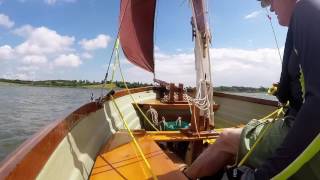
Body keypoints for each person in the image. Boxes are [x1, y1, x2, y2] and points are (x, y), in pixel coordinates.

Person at [183, 0, 320, 179]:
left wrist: (266, 174)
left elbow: (317, 105)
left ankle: (183, 177)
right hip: (295, 120)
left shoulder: (306, 11)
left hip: (299, 128)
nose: (270, 7)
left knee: (225, 138)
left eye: (269, 0)